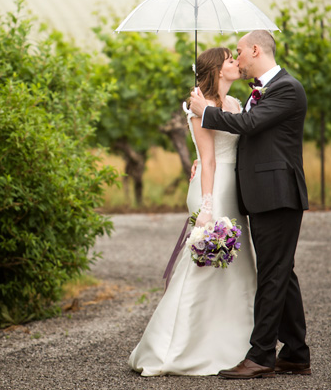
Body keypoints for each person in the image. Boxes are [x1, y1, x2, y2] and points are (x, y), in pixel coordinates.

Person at [188, 30, 310, 379]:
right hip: (262, 194)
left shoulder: (287, 87)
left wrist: (205, 113)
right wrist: (202, 156)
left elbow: (251, 124)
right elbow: (249, 139)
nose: (237, 59)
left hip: (277, 195)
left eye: (239, 51)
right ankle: (297, 353)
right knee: (281, 272)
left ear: (255, 49)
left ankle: (260, 357)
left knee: (272, 274)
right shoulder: (261, 91)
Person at [129, 47, 257, 376]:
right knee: (206, 262)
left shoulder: (235, 104)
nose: (236, 63)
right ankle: (180, 346)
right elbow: (210, 159)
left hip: (234, 186)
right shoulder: (200, 108)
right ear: (217, 69)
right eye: (230, 60)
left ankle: (239, 344)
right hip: (212, 188)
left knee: (238, 263)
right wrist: (207, 206)